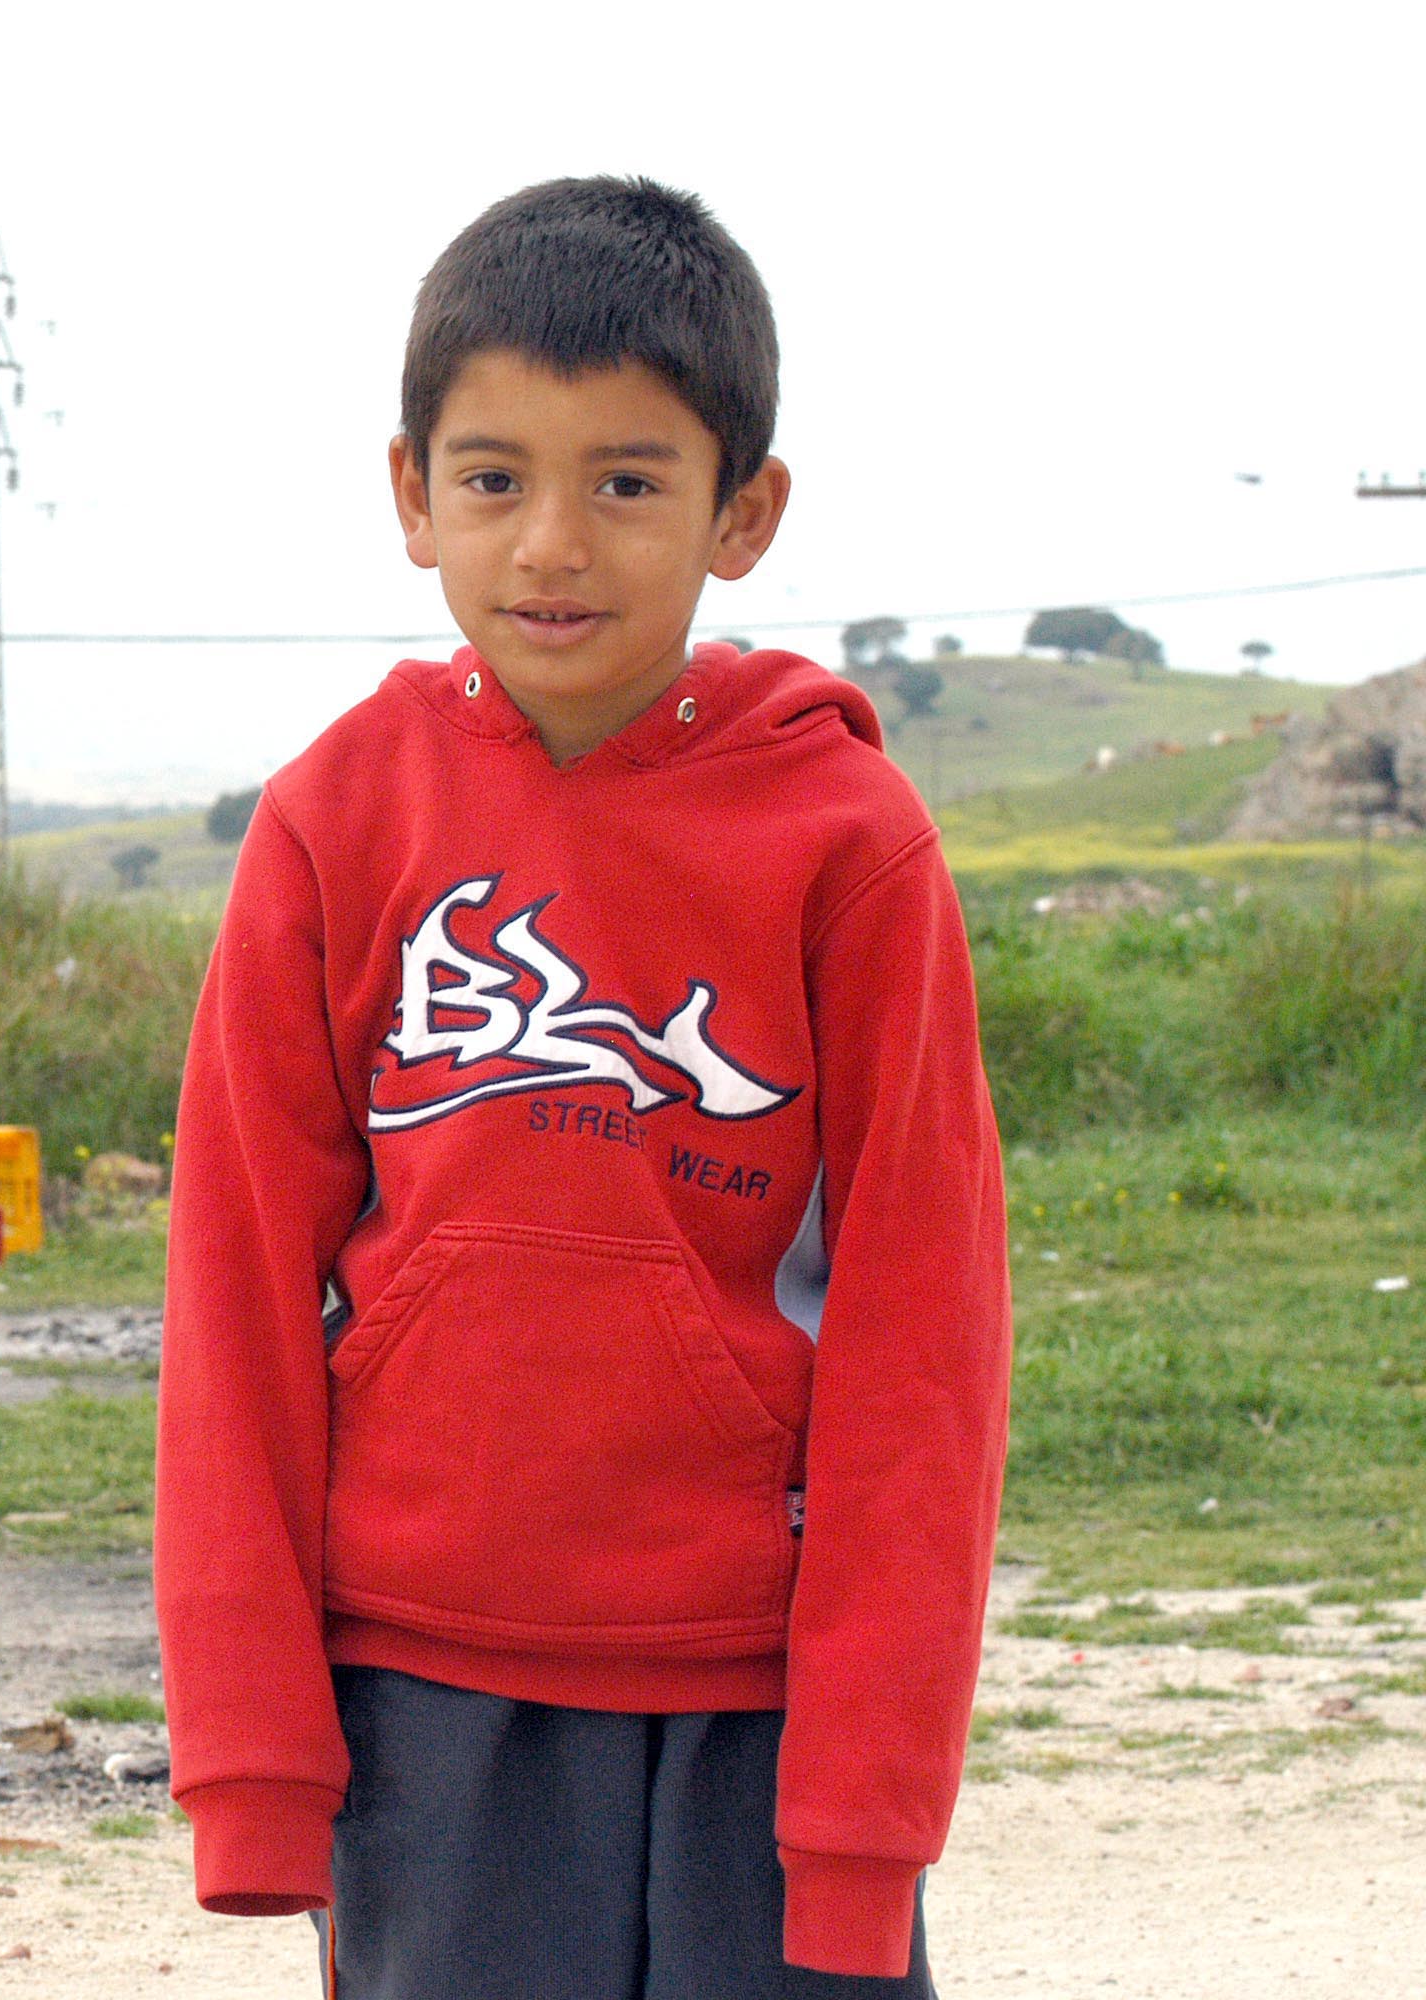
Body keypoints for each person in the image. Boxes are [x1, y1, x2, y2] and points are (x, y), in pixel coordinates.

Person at [155, 178, 1010, 1996]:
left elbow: (919, 1345)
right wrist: (253, 1767)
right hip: (425, 1691)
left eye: (625, 480)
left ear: (740, 514)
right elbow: (230, 1298)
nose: (552, 540)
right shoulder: (330, 826)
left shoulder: (845, 847)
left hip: (758, 1701)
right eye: (491, 476)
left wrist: (862, 1815)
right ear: (410, 496)